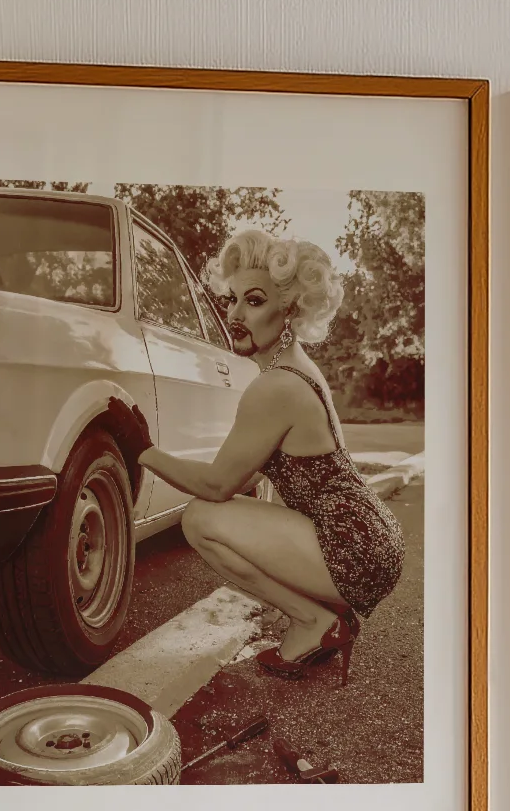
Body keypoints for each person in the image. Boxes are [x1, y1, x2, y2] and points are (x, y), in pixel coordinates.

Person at [138, 229, 404, 686]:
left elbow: (217, 487)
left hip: (352, 546)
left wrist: (142, 450)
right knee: (221, 514)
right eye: (231, 299)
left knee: (200, 519)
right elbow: (244, 483)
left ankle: (313, 623)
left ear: (290, 309)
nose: (236, 314)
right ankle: (324, 617)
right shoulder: (295, 369)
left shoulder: (276, 386)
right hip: (368, 538)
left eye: (254, 301)